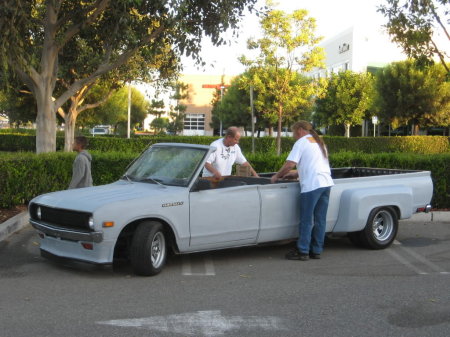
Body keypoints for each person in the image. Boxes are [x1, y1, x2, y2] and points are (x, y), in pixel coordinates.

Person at [270, 121, 334, 261]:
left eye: (293, 131)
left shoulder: (301, 142)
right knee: (320, 219)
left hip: (311, 186)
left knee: (306, 219)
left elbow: (289, 164)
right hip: (325, 183)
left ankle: (303, 250)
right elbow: (314, 163)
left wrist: (276, 176)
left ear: (299, 130)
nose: (293, 134)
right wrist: (297, 174)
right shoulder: (318, 141)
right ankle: (316, 250)